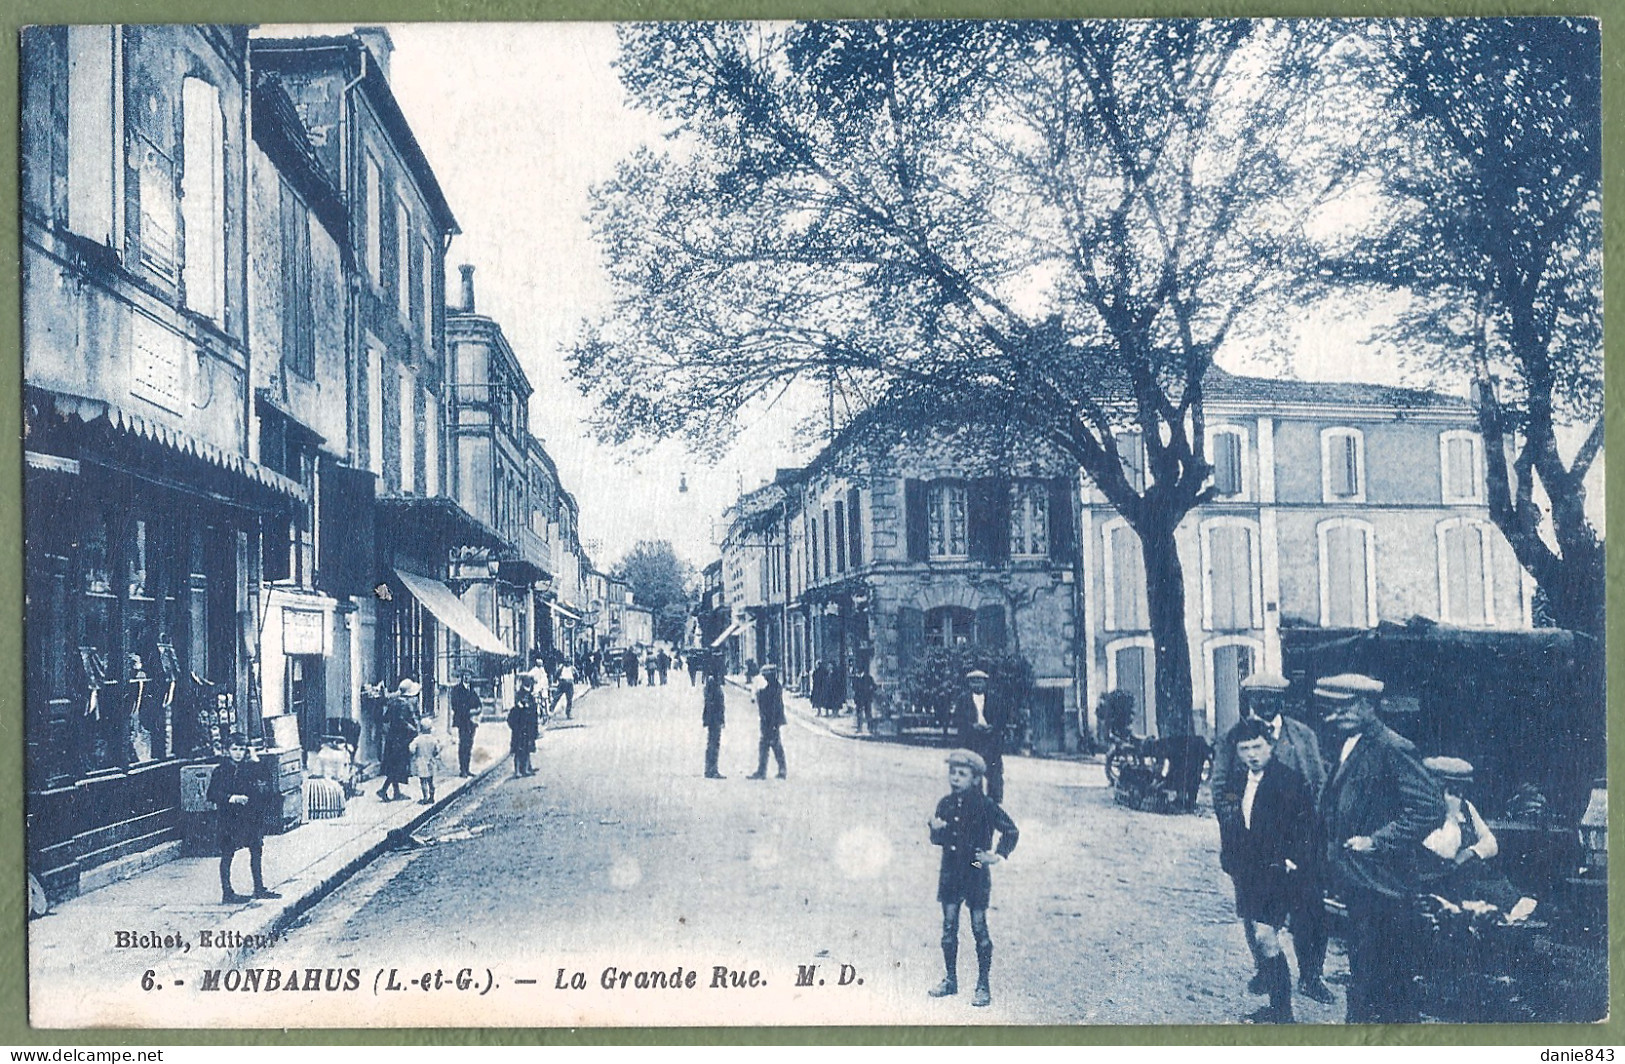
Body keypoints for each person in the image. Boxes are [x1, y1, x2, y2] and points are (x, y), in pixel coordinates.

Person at [1317, 672, 1445, 1024]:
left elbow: (1430, 809)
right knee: (1366, 971)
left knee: (1386, 980)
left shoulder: (1392, 746)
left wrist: (1376, 840)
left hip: (1386, 885)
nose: (1335, 716)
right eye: (1331, 708)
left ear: (1369, 706)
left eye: (1344, 708)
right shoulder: (1350, 744)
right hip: (1361, 882)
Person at [1210, 672, 1332, 1005]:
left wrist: (1312, 837)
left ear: (1283, 700)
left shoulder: (1303, 735)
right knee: (1256, 912)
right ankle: (1267, 969)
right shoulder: (1233, 737)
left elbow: (1319, 784)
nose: (1264, 704)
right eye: (1257, 698)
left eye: (1271, 697)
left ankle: (1311, 976)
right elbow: (1221, 790)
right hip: (1253, 848)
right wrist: (1238, 836)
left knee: (1310, 910)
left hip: (1299, 845)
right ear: (1249, 700)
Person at [1217, 718, 1316, 1024]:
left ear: (1270, 745)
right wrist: (1229, 855)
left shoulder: (1290, 781)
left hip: (1277, 872)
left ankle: (1283, 1011)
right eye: (1244, 748)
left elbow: (1308, 827)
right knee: (1262, 939)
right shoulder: (1236, 782)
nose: (1252, 754)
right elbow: (1231, 820)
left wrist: (1294, 859)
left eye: (1257, 746)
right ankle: (1277, 1006)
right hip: (1248, 872)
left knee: (1265, 935)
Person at [927, 749, 1018, 1007]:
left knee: (979, 927)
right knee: (948, 927)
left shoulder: (985, 806)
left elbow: (1011, 831)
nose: (955, 778)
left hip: (975, 866)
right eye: (952, 773)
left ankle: (983, 985)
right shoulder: (945, 803)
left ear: (976, 779)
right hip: (951, 869)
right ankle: (950, 979)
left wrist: (997, 855)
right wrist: (935, 831)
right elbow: (939, 840)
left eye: (962, 774)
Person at [1419, 757, 1531, 916]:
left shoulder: (1466, 807)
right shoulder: (1424, 812)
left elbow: (1491, 843)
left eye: (1460, 789)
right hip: (1443, 885)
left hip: (1475, 881)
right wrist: (1450, 817)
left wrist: (1470, 852)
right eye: (1452, 789)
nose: (1458, 795)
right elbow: (1445, 852)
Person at [206, 732, 280, 904]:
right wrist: (231, 798)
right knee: (227, 854)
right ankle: (227, 892)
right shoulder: (221, 770)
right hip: (229, 819)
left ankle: (259, 887)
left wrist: (255, 759)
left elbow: (266, 781)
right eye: (234, 749)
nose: (238, 753)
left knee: (256, 850)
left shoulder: (251, 768)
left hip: (250, 818)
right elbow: (211, 794)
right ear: (227, 751)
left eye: (241, 749)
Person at [953, 670, 1010, 805]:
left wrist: (993, 727)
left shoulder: (995, 699)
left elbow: (1002, 717)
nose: (977, 684)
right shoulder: (963, 700)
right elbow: (958, 719)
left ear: (985, 683)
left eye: (980, 681)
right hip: (971, 741)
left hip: (990, 741)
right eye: (974, 681)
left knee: (994, 772)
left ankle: (994, 803)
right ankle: (974, 802)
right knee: (972, 772)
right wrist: (972, 726)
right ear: (969, 683)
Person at [377, 679, 420, 802]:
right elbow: (402, 721)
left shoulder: (393, 703)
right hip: (401, 740)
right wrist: (413, 730)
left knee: (393, 765)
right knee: (397, 767)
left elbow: (385, 719)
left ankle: (396, 792)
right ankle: (383, 790)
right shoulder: (405, 704)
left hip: (392, 739)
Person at [747, 664, 788, 780]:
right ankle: (767, 770)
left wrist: (773, 724)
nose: (765, 677)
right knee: (768, 746)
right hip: (769, 721)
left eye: (766, 675)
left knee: (773, 746)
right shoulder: (773, 687)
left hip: (771, 722)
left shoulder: (774, 688)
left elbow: (774, 707)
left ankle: (768, 770)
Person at [449, 673, 481, 778]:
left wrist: (478, 709)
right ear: (462, 677)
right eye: (466, 676)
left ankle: (467, 768)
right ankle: (462, 770)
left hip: (472, 722)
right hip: (462, 721)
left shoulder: (471, 689)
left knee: (469, 745)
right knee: (463, 745)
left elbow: (478, 702)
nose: (468, 678)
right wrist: (469, 711)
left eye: (469, 676)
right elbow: (455, 706)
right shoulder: (457, 689)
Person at [509, 673, 540, 778]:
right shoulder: (519, 694)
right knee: (519, 748)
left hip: (529, 724)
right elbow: (518, 708)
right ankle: (517, 770)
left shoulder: (530, 695)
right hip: (520, 725)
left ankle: (526, 768)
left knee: (527, 748)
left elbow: (533, 710)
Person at [409, 719, 443, 805]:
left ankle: (425, 798)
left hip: (421, 762)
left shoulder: (417, 739)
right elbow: (437, 750)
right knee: (431, 781)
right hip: (430, 761)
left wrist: (415, 754)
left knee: (423, 781)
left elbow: (411, 749)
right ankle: (432, 797)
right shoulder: (433, 739)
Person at [702, 670, 727, 779]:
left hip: (713, 719)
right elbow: (713, 705)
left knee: (712, 744)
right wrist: (719, 720)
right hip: (714, 720)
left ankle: (709, 769)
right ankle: (712, 770)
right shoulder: (714, 685)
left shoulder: (711, 684)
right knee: (714, 744)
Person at [852, 665, 876, 734]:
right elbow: (854, 688)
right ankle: (860, 728)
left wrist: (870, 691)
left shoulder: (868, 678)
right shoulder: (856, 678)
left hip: (866, 698)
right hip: (859, 699)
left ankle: (870, 728)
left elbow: (874, 687)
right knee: (859, 714)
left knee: (868, 713)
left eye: (857, 670)